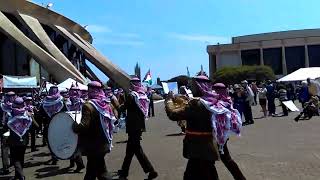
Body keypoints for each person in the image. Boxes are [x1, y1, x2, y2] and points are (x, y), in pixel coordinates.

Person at [73, 81, 116, 180]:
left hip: (93, 145)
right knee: (101, 172)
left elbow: (84, 126)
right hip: (104, 142)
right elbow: (114, 118)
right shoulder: (106, 103)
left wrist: (75, 127)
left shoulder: (88, 106)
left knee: (91, 174)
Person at [118, 77, 158, 180]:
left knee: (136, 150)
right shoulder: (142, 95)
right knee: (130, 150)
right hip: (139, 125)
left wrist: (115, 104)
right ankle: (124, 172)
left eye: (131, 84)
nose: (130, 86)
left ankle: (151, 171)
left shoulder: (132, 96)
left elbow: (123, 107)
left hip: (133, 126)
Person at [212, 83, 246, 180]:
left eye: (215, 90)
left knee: (212, 160)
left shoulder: (220, 102)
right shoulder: (227, 99)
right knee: (226, 159)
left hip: (218, 135)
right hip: (223, 134)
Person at [7, 97, 35, 180]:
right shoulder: (27, 113)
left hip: (13, 140)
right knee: (21, 157)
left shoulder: (11, 113)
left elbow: (5, 125)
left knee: (15, 158)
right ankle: (17, 175)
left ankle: (21, 176)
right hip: (24, 139)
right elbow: (31, 127)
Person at [41, 85, 65, 165]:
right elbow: (65, 111)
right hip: (59, 124)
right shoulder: (62, 100)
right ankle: (58, 154)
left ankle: (54, 156)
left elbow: (41, 113)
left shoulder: (45, 101)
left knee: (50, 141)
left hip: (48, 124)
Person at [65, 86, 85, 173]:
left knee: (75, 145)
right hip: (73, 124)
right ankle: (72, 163)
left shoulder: (81, 102)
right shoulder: (68, 101)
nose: (74, 93)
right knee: (72, 144)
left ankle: (80, 164)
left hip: (76, 124)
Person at [0, 91, 16, 175]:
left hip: (7, 130)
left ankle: (7, 167)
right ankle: (11, 166)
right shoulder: (17, 105)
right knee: (10, 147)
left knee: (6, 148)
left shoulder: (2, 106)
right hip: (12, 130)